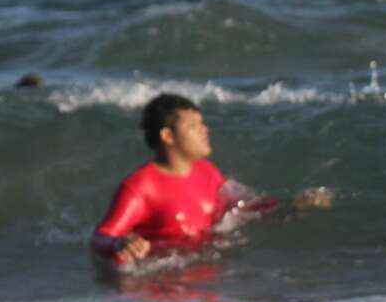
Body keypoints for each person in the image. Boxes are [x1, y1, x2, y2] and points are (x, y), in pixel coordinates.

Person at [90, 93, 331, 265]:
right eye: (194, 126)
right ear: (167, 136)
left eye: (203, 123)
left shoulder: (207, 171)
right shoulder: (142, 187)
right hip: (159, 293)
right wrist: (119, 244)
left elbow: (243, 209)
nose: (205, 130)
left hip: (206, 283)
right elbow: (101, 237)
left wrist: (289, 204)